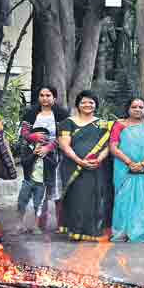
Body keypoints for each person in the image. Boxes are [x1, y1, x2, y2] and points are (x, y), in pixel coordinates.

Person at [57, 90, 113, 241]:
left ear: (95, 105)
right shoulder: (67, 122)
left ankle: (92, 231)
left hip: (95, 167)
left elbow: (109, 145)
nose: (87, 105)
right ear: (78, 105)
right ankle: (75, 230)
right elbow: (64, 145)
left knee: (94, 197)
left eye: (91, 102)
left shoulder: (103, 124)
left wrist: (99, 159)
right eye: (84, 102)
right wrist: (79, 161)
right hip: (73, 166)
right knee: (76, 197)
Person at [109, 97, 144, 243]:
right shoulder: (119, 125)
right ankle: (121, 232)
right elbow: (113, 147)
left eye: (141, 107)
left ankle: (139, 233)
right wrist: (129, 163)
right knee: (122, 200)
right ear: (128, 108)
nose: (137, 110)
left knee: (143, 199)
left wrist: (143, 164)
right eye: (134, 107)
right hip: (123, 169)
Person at [18, 86, 66, 233]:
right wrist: (33, 137)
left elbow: (64, 135)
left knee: (57, 189)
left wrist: (48, 148)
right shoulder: (32, 113)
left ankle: (61, 224)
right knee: (39, 187)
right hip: (34, 155)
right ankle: (39, 224)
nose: (45, 98)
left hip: (55, 156)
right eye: (42, 95)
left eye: (48, 95)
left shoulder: (61, 114)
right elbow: (24, 132)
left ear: (54, 98)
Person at [16, 126, 55, 234]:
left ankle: (36, 226)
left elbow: (54, 165)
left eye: (44, 136)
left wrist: (44, 155)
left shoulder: (50, 150)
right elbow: (24, 163)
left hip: (41, 183)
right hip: (28, 181)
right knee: (22, 202)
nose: (42, 138)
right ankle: (20, 224)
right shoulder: (28, 148)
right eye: (39, 135)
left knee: (38, 205)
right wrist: (34, 154)